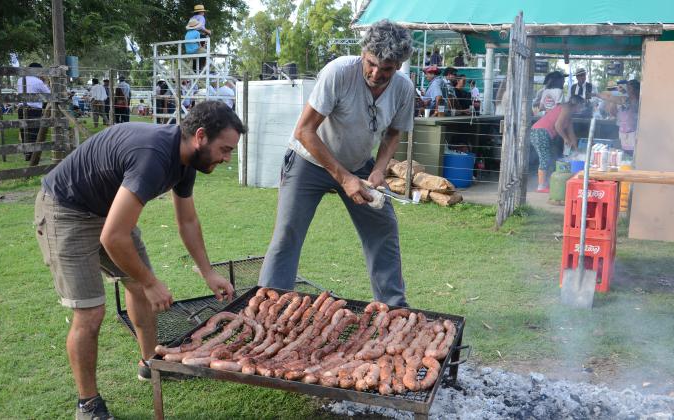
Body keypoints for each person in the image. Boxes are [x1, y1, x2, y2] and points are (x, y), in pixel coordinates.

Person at [34, 101, 246, 420]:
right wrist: (151, 282)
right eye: (225, 149)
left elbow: (187, 221)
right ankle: (88, 404)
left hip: (109, 212)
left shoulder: (186, 160)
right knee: (91, 313)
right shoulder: (155, 156)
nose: (227, 158)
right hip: (67, 210)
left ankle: (151, 363)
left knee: (139, 291)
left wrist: (207, 272)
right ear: (201, 136)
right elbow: (113, 237)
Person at [258, 19, 414, 307]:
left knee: (384, 228)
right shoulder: (338, 72)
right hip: (309, 161)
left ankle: (392, 307)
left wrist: (379, 169)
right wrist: (343, 178)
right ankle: (269, 306)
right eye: (371, 63)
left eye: (387, 69)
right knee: (288, 233)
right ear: (363, 53)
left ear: (399, 66)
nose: (376, 73)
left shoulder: (403, 89)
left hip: (359, 164)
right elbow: (304, 131)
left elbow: (393, 134)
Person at [530, 95, 584, 192]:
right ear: (577, 104)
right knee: (545, 159)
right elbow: (558, 125)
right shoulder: (566, 108)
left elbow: (572, 135)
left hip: (543, 133)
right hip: (540, 132)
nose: (582, 108)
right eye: (582, 105)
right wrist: (565, 138)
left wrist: (576, 151)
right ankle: (541, 186)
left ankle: (547, 183)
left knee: (552, 157)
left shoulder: (569, 116)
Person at [17, 62, 51, 161]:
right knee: (34, 131)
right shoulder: (38, 82)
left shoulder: (20, 80)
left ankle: (27, 153)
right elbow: (49, 94)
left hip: (21, 108)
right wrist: (45, 82)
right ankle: (32, 155)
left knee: (24, 131)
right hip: (33, 109)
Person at [599, 79, 640, 156]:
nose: (627, 90)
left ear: (635, 90)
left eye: (629, 88)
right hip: (623, 131)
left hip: (633, 132)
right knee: (624, 153)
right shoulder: (624, 98)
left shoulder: (636, 101)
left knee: (633, 153)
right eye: (627, 88)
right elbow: (612, 111)